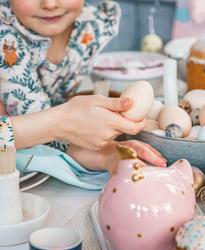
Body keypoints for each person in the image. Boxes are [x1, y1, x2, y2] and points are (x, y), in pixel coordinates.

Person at [0, 0, 167, 173]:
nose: (49, 4)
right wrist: (63, 123)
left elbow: (46, 132)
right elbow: (44, 127)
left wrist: (106, 153)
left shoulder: (87, 27)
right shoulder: (5, 36)